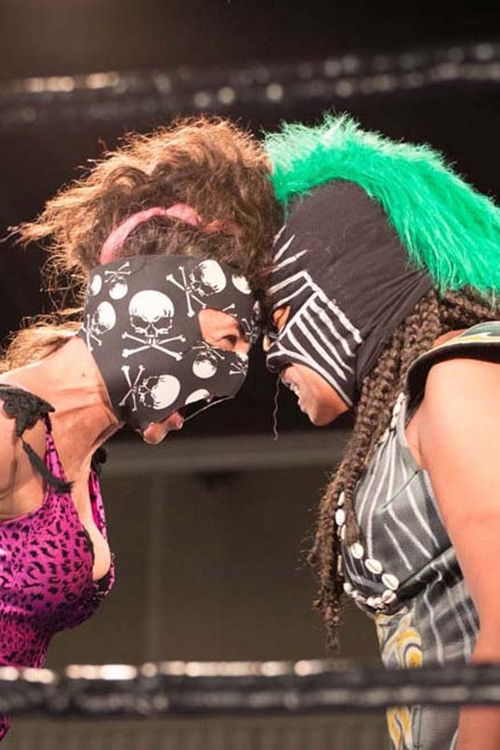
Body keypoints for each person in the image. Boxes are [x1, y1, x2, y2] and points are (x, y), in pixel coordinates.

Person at [0, 117, 281, 739]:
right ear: (153, 306)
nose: (233, 375)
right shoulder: (7, 429)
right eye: (227, 340)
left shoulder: (74, 452)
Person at [262, 115, 500, 750]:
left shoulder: (458, 377)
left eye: (281, 316)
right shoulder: (423, 399)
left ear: (347, 289)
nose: (272, 354)